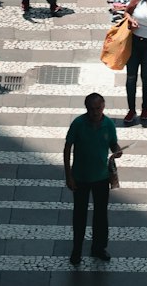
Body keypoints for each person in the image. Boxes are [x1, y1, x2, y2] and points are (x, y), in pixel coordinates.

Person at [64, 93, 123, 267]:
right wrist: (68, 175)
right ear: (87, 109)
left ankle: (98, 248)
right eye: (92, 109)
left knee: (100, 216)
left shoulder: (109, 124)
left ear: (103, 107)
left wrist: (117, 150)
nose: (95, 112)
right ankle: (77, 250)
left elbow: (113, 143)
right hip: (80, 177)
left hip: (101, 177)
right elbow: (67, 148)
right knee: (79, 216)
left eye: (98, 108)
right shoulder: (78, 124)